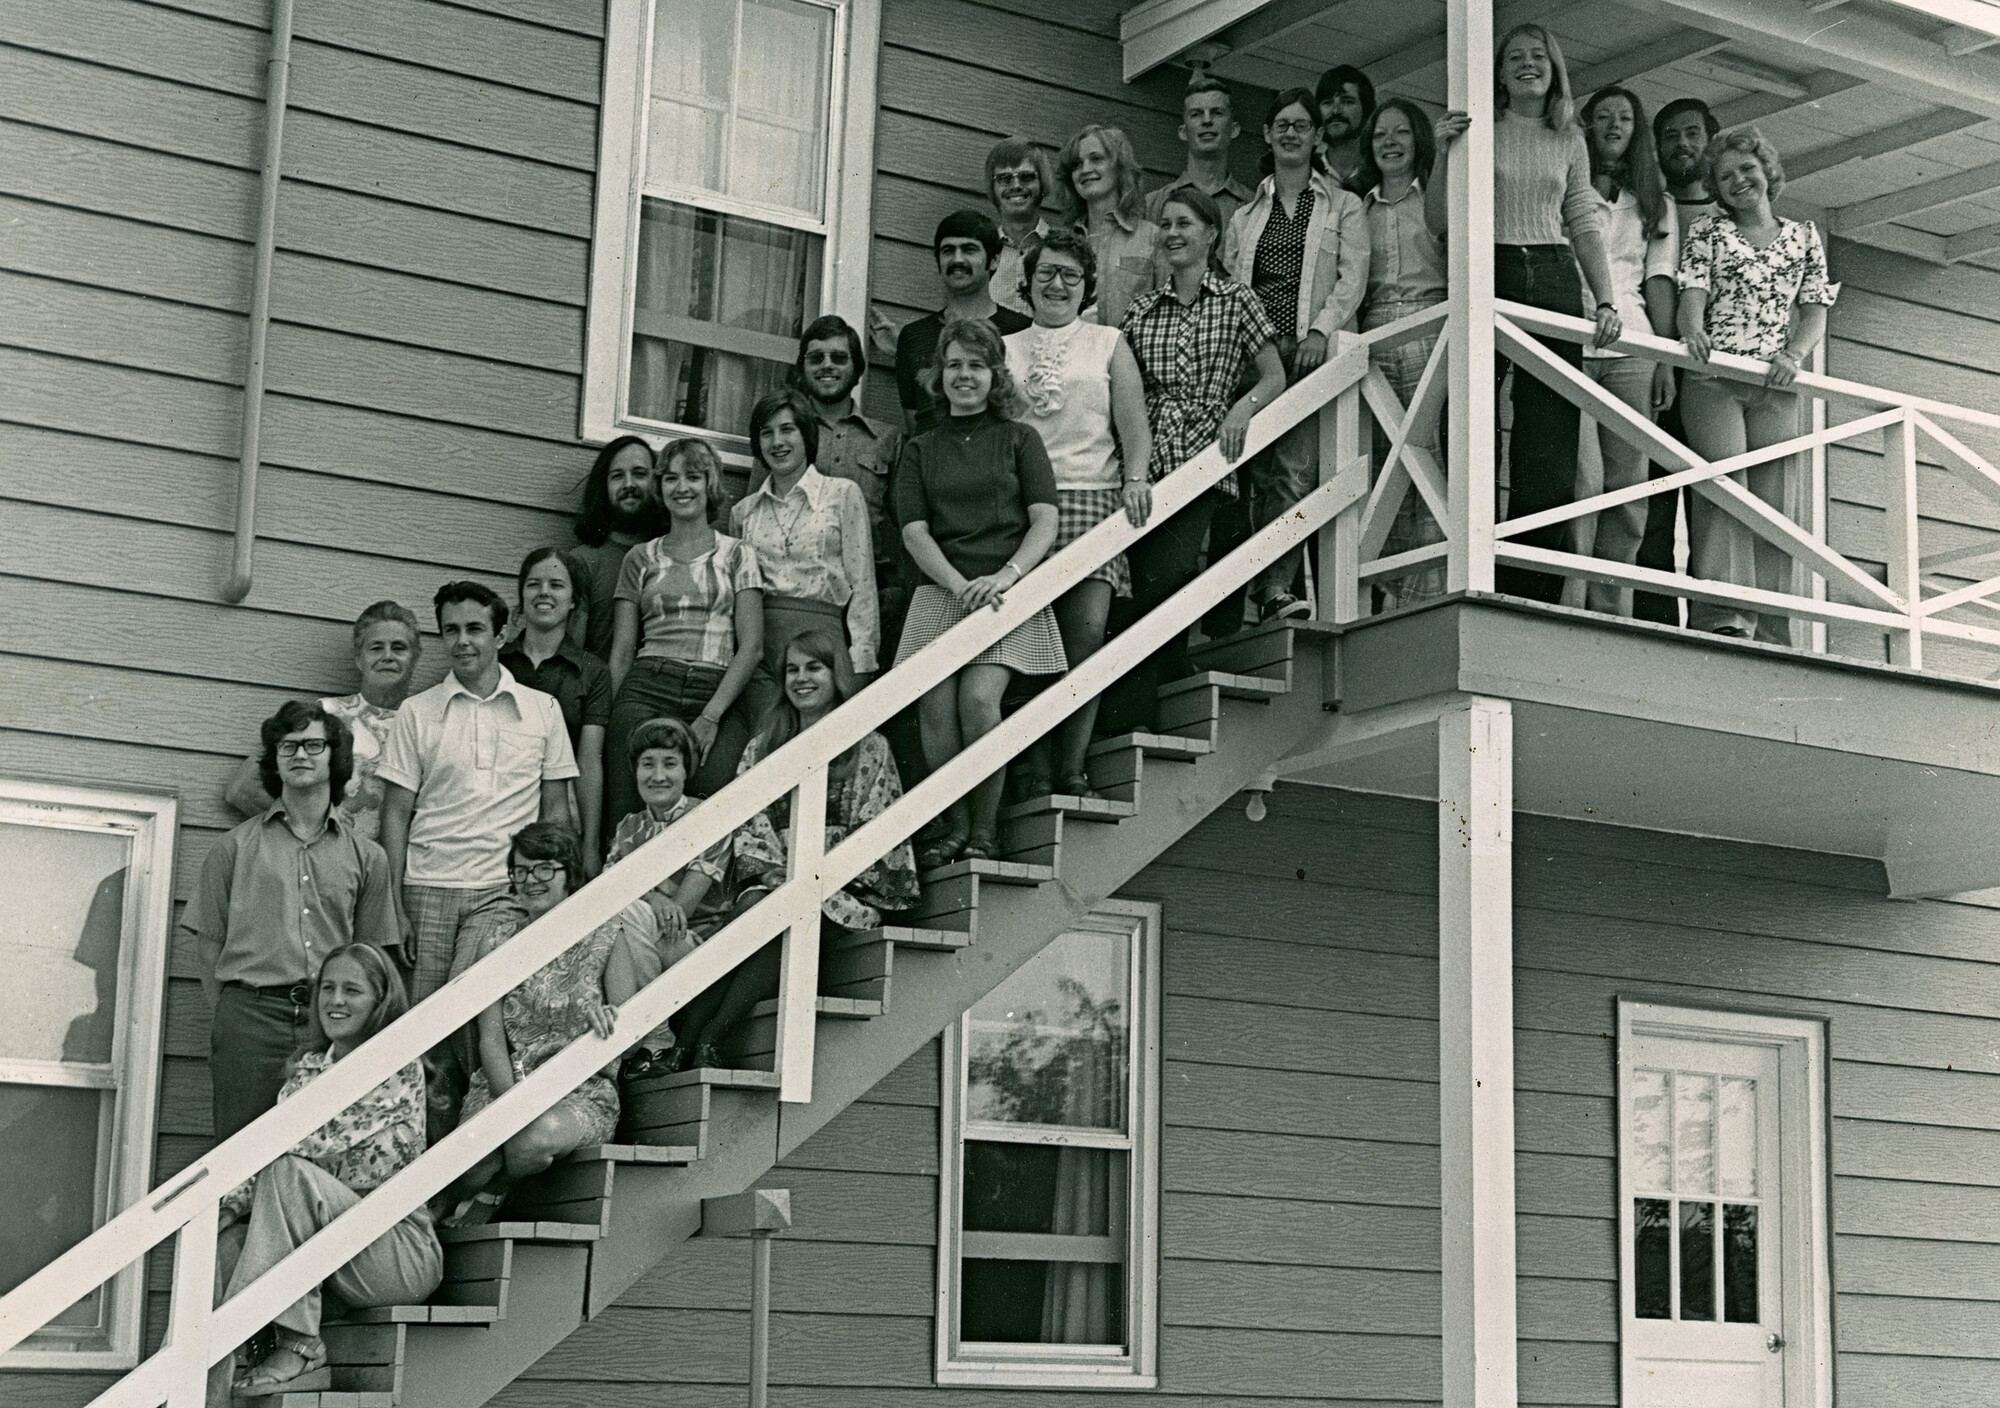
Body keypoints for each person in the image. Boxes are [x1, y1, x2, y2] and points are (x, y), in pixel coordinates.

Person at [377, 581, 577, 1138]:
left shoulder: (542, 710)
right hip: (428, 887)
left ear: (502, 632)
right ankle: (425, 1168)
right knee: (423, 1040)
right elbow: (395, 814)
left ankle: (479, 1149)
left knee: (478, 1019)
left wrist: (552, 899)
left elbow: (556, 816)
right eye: (451, 631)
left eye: (474, 629)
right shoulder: (418, 713)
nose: (462, 642)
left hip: (502, 891)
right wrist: (394, 903)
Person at [1433, 23, 1623, 604]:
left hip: (1554, 274)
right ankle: (1475, 562)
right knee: (1467, 419)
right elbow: (1439, 221)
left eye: (1538, 55)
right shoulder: (1477, 131)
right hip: (1490, 269)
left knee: (1549, 436)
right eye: (1514, 57)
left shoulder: (1569, 137)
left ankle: (1528, 586)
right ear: (1497, 72)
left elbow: (1583, 221)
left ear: (1554, 68)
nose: (1526, 64)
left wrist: (1606, 298)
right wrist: (1442, 150)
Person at [674, 631, 921, 1066]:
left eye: (814, 667)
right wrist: (772, 871)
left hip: (842, 888)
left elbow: (878, 823)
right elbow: (750, 818)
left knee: (786, 912)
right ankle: (702, 1043)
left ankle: (700, 1036)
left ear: (836, 675)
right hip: (772, 878)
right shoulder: (765, 744)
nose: (801, 678)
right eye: (792, 669)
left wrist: (814, 873)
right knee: (768, 909)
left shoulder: (868, 746)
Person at [211, 944, 439, 1398]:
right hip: (328, 1256)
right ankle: (201, 1394)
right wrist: (227, 1207)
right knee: (223, 1246)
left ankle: (299, 1343)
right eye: (327, 989)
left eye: (352, 990)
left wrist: (254, 1173)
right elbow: (272, 1155)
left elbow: (306, 1143)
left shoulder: (396, 1064)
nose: (335, 1000)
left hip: (395, 1251)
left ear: (380, 1001)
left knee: (289, 1172)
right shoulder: (307, 1072)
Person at [1101, 187, 1286, 734]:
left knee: (1173, 574)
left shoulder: (1237, 300)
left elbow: (1274, 375)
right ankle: (1148, 696)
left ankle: (1139, 704)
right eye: (1166, 224)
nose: (1173, 233)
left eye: (1185, 223)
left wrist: (1240, 410)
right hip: (1145, 459)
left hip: (1204, 455)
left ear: (1211, 234)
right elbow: (1123, 390)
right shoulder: (1141, 310)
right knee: (1143, 581)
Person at [185, 701, 402, 1143]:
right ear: (275, 761)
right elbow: (208, 943)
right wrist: (233, 1013)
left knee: (320, 1146)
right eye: (288, 747)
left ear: (334, 758)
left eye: (312, 745)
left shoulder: (368, 857)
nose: (300, 755)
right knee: (237, 1154)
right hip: (249, 1018)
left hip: (331, 1021)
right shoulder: (234, 848)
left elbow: (370, 955)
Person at [894, 317, 1066, 864]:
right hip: (945, 590)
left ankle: (986, 830)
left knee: (977, 698)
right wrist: (958, 583)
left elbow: (1044, 520)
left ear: (995, 375)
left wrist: (1004, 577)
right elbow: (913, 530)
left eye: (975, 365)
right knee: (935, 709)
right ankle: (955, 826)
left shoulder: (1019, 438)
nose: (963, 375)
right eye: (953, 365)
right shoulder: (921, 447)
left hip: (1004, 596)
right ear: (938, 375)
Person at [1005, 229, 1153, 795]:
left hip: (1092, 497)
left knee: (1085, 638)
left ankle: (1072, 766)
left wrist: (1135, 480)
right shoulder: (1007, 347)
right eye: (1046, 273)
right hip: (1027, 506)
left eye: (1070, 275)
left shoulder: (1108, 342)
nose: (1058, 284)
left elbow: (1133, 425)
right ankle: (1038, 771)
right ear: (1029, 283)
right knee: (1034, 645)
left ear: (1087, 285)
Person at [1678, 129, 1837, 642]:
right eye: (1725, 177)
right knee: (1725, 490)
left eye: (1746, 169)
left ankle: (1771, 625)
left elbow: (1814, 311)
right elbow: (1693, 291)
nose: (1739, 181)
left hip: (1774, 380)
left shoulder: (1804, 235)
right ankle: (1722, 617)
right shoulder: (1708, 230)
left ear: (1767, 170)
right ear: (1717, 191)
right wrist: (1692, 329)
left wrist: (1795, 354)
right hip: (1715, 377)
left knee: (1773, 501)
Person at [1218, 88, 1370, 626]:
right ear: (1266, 134)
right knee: (1252, 470)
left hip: (1308, 351)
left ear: (1316, 136)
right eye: (1281, 124)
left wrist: (1319, 331)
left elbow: (1352, 280)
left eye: (1301, 125)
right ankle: (1252, 589)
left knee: (1292, 470)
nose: (1290, 133)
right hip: (1256, 355)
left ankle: (1277, 588)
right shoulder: (1245, 214)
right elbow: (1234, 285)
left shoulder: (1342, 205)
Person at [437, 823, 632, 1228]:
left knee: (534, 1139)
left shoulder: (606, 935)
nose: (531, 880)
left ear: (569, 874)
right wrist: (513, 1105)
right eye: (521, 870)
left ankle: (493, 1194)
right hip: (505, 1084)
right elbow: (490, 1038)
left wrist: (612, 1021)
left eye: (545, 869)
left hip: (581, 1090)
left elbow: (630, 1030)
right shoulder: (497, 941)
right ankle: (433, 1217)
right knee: (473, 1159)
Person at [607, 436, 765, 813]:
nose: (682, 488)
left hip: (716, 689)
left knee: (713, 795)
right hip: (648, 684)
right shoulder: (639, 558)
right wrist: (607, 718)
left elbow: (752, 646)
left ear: (710, 484)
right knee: (632, 797)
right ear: (660, 489)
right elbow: (623, 651)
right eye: (671, 478)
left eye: (693, 477)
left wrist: (710, 716)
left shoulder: (738, 554)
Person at [1575, 86, 1680, 617]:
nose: (1614, 125)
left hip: (1633, 346)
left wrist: (1663, 356)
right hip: (1572, 337)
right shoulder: (1566, 186)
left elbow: (1658, 278)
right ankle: (1568, 601)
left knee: (1627, 486)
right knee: (1581, 480)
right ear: (1586, 126)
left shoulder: (1656, 202)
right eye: (1603, 117)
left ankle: (1608, 609)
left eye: (1625, 118)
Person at [731, 387, 879, 726]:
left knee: (818, 748)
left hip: (822, 643)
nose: (777, 441)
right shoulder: (744, 513)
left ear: (806, 434)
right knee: (769, 742)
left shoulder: (842, 494)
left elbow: (863, 582)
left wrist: (861, 660)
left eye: (787, 429)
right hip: (762, 649)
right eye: (766, 433)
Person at [599, 717, 732, 1078]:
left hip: (693, 945)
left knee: (627, 914)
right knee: (616, 917)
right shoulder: (629, 827)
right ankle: (649, 1040)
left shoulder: (708, 818)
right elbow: (606, 893)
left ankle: (653, 1039)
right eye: (648, 764)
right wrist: (653, 897)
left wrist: (649, 896)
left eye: (670, 764)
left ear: (686, 770)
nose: (658, 775)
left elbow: (679, 913)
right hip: (643, 941)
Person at [224, 602, 423, 841]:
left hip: (396, 872)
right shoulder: (327, 714)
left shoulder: (426, 723)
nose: (387, 656)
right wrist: (314, 826)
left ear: (415, 658)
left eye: (399, 648)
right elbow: (242, 789)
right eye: (376, 648)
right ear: (359, 659)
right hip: (327, 865)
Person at [1636, 96, 1725, 626]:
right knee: (1655, 499)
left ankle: (1719, 617)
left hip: (1721, 379)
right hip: (1663, 372)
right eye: (1670, 136)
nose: (1682, 144)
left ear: (1711, 140)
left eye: (1692, 133)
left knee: (1715, 500)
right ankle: (1654, 617)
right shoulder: (1654, 209)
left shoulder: (1733, 212)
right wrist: (1665, 357)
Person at [1357, 97, 1449, 607]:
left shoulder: (1431, 195)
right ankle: (1385, 584)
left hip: (1425, 320)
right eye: (1380, 135)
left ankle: (1425, 587)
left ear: (1418, 140)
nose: (1390, 143)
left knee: (1423, 452)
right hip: (1374, 328)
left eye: (1401, 133)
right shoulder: (1358, 204)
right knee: (1378, 459)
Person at [780, 315, 905, 660]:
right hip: (797, 589)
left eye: (839, 357)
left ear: (857, 368)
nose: (827, 366)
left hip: (870, 592)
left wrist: (896, 588)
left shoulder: (887, 439)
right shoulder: (782, 434)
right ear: (802, 367)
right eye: (816, 358)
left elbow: (907, 524)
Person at [500, 547, 611, 874]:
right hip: (500, 801)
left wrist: (589, 845)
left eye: (557, 585)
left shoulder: (592, 671)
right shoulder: (498, 663)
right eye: (534, 584)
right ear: (521, 594)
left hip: (559, 811)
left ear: (574, 600)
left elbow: (589, 759)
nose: (544, 592)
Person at [894, 211, 1034, 438]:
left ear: (994, 260)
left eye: (969, 250)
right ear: (938, 260)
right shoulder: (913, 336)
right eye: (948, 250)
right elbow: (913, 423)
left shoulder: (1022, 330)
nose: (957, 259)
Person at [1058, 124, 1162, 332]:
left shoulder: (1152, 238)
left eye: (1096, 159)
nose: (1086, 169)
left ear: (1119, 166)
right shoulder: (1061, 243)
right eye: (1077, 164)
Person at [569, 437, 664, 661]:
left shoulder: (672, 555)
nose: (628, 484)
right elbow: (571, 655)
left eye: (640, 474)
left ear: (658, 483)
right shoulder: (582, 561)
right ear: (604, 487)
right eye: (617, 476)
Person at [1145, 72, 1255, 231]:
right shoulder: (1152, 205)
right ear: (1183, 132)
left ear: (1234, 129)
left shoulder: (1252, 205)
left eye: (1217, 113)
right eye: (1196, 114)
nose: (1207, 120)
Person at [987, 138, 1056, 317]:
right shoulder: (983, 252)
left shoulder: (1060, 249)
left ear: (1042, 184)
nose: (1016, 186)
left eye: (1026, 177)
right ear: (992, 188)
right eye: (1004, 178)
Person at [1315, 64, 1377, 192]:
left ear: (1366, 110)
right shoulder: (1306, 175)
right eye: (1327, 102)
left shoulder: (1384, 174)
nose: (1335, 110)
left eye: (1347, 101)